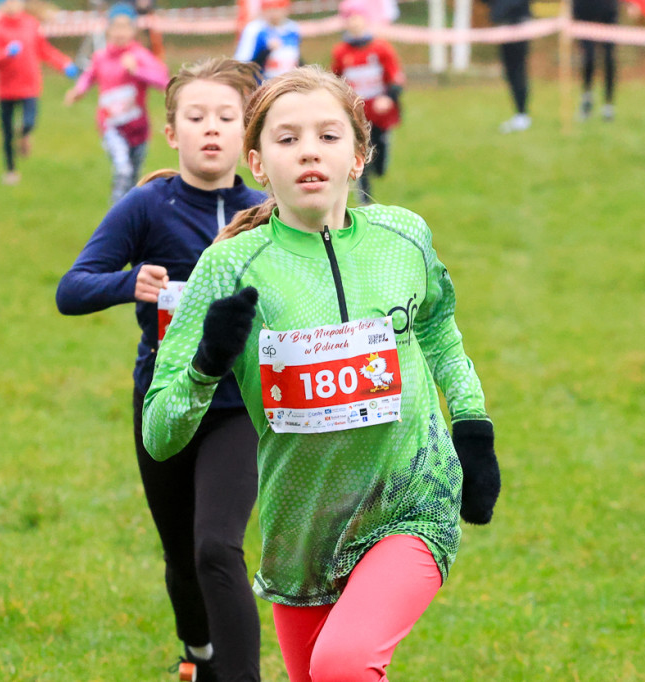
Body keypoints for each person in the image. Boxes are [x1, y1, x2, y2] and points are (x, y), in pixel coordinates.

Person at [142, 65, 501, 681]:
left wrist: (471, 424)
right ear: (257, 163)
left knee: (343, 665)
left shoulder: (403, 238)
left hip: (411, 498)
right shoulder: (228, 267)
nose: (308, 150)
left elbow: (440, 330)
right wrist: (206, 365)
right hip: (302, 530)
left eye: (328, 136)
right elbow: (159, 433)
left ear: (360, 156)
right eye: (287, 139)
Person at [57, 57, 267, 682]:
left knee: (216, 547)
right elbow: (72, 288)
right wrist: (131, 284)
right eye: (196, 117)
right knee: (181, 551)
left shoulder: (267, 213)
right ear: (171, 132)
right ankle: (198, 655)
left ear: (247, 133)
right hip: (164, 405)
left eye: (227, 117)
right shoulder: (147, 205)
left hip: (238, 408)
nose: (212, 129)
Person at [63, 2, 169, 204]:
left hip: (139, 129)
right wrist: (78, 91)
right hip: (111, 126)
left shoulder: (139, 55)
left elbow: (163, 80)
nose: (120, 32)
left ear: (134, 30)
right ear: (108, 29)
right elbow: (88, 76)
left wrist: (136, 71)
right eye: (116, 27)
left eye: (125, 27)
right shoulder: (101, 57)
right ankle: (116, 216)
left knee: (134, 179)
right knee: (123, 170)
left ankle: (131, 216)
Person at [0, 0, 79, 185]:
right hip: (6, 89)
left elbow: (44, 50)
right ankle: (10, 170)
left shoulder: (31, 24)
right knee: (6, 132)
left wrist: (64, 64)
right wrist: (5, 54)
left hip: (29, 86)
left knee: (28, 122)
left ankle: (25, 134)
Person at [331, 0, 405, 204]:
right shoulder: (341, 52)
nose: (354, 23)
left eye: (358, 18)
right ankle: (365, 200)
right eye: (349, 19)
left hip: (379, 115)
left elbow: (396, 78)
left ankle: (382, 157)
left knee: (378, 162)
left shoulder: (381, 49)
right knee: (359, 154)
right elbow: (335, 80)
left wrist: (389, 98)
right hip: (355, 115)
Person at [482, 0, 532, 133]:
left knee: (517, 71)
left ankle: (522, 115)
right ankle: (520, 114)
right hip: (504, 26)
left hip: (518, 24)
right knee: (510, 73)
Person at [233, 0, 303, 81]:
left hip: (287, 82)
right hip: (263, 83)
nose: (273, 13)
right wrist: (266, 51)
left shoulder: (292, 28)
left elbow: (295, 58)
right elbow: (243, 63)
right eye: (269, 9)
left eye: (277, 8)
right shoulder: (255, 29)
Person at [573, 0, 619, 121]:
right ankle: (587, 98)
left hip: (607, 12)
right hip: (584, 11)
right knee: (589, 58)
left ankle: (608, 105)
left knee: (609, 60)